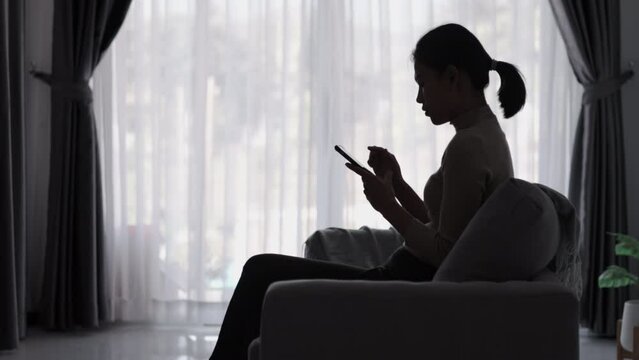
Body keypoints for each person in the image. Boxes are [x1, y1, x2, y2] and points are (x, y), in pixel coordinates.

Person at [209, 23, 526, 360]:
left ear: (452, 77)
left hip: (400, 291)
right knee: (263, 274)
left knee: (260, 271)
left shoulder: (468, 147)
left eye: (422, 84)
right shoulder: (486, 136)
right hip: (402, 283)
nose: (419, 98)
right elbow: (448, 229)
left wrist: (387, 206)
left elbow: (443, 252)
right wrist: (398, 183)